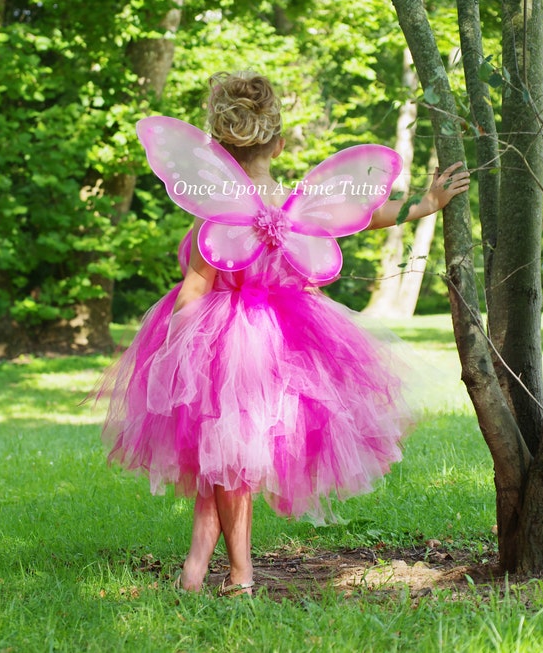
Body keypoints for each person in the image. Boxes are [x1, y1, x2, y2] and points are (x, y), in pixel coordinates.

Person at [96, 71, 470, 597]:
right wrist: (427, 204)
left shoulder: (217, 212)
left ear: (221, 147)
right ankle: (217, 573)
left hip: (227, 345)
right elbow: (366, 216)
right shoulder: (299, 202)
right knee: (228, 463)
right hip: (278, 343)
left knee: (230, 463)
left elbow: (193, 291)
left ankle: (216, 572)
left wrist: (167, 352)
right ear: (280, 141)